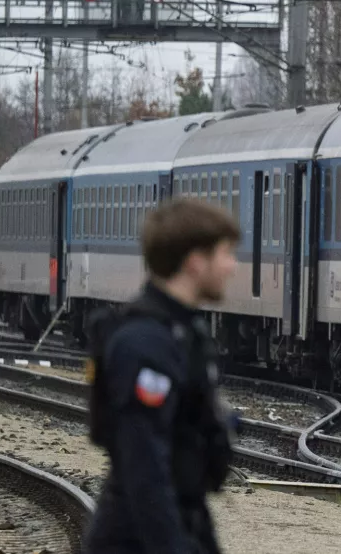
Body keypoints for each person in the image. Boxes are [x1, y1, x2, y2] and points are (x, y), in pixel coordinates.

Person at [83, 199, 240, 554]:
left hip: (182, 521)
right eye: (226, 254)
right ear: (195, 261)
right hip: (134, 539)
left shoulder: (185, 333)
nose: (233, 267)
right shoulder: (144, 344)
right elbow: (145, 473)